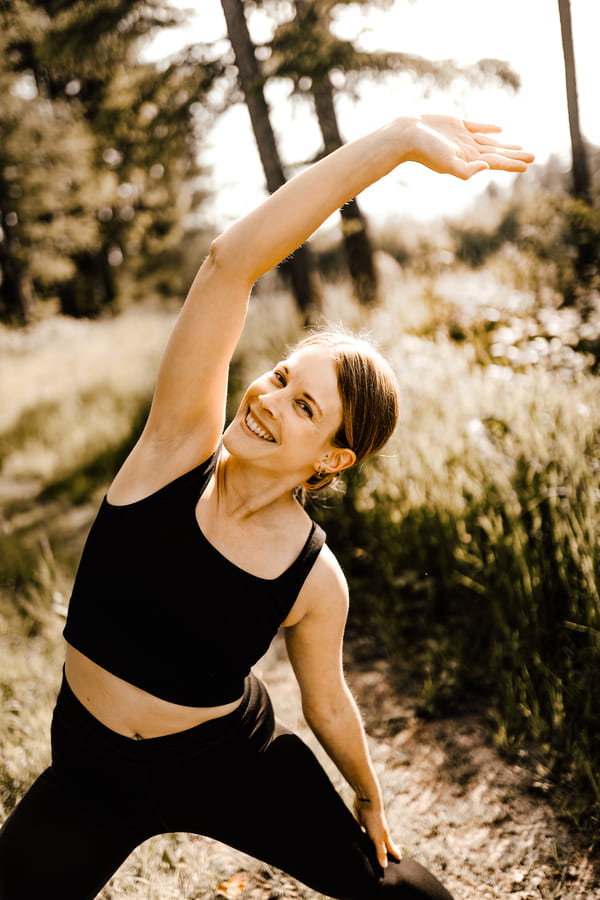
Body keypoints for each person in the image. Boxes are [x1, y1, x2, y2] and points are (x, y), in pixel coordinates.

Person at [0, 113, 533, 900]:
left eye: (305, 408)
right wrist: (396, 143)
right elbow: (228, 265)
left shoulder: (315, 578)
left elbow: (328, 703)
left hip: (225, 763)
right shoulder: (173, 453)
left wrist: (370, 794)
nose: (271, 399)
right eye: (283, 377)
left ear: (332, 458)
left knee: (404, 896)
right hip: (93, 770)